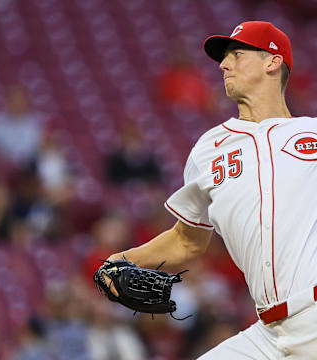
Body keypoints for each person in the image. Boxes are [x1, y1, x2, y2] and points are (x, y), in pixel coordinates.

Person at [103, 21, 317, 359]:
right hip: (269, 333)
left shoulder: (312, 133)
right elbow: (187, 240)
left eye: (237, 53)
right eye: (224, 57)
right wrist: (120, 260)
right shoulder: (208, 150)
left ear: (272, 62)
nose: (223, 64)